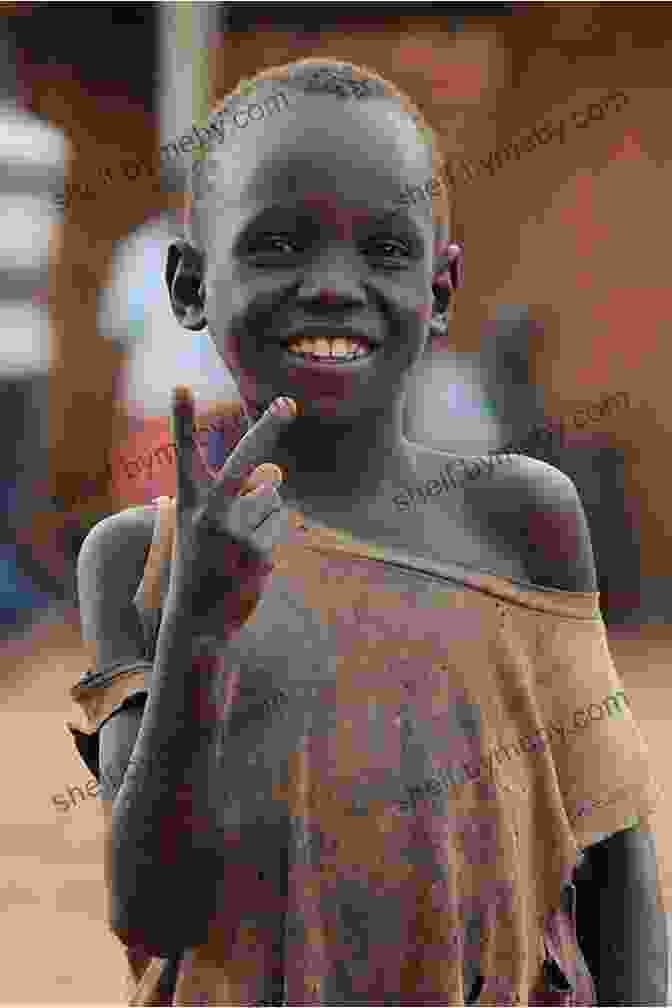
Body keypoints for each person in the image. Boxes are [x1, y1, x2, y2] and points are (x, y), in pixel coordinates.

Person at [66, 59, 667, 1005]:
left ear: (442, 287)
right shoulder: (137, 563)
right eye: (278, 245)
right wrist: (198, 631)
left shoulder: (522, 521)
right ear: (190, 283)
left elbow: (616, 866)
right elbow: (156, 913)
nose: (333, 285)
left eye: (385, 250)